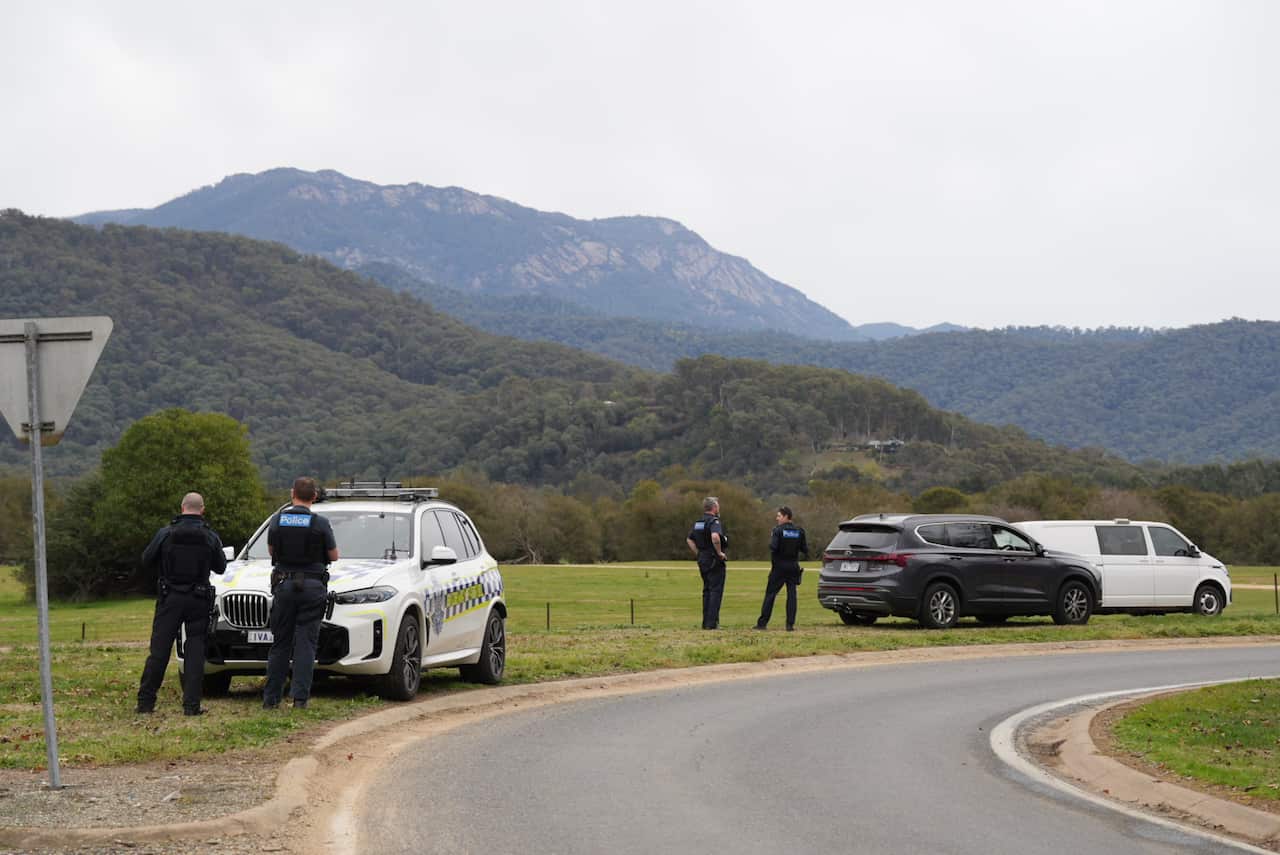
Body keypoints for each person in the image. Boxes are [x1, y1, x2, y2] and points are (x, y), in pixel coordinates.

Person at [136, 492, 227, 716]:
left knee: (159, 651)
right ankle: (191, 706)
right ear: (202, 509)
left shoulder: (165, 534)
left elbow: (146, 559)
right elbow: (221, 567)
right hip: (198, 598)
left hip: (170, 598)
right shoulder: (209, 536)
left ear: (182, 507)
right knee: (195, 650)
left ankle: (146, 703)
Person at [262, 477, 339, 710]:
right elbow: (334, 556)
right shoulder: (321, 523)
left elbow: (271, 551)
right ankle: (300, 699)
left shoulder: (277, 520)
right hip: (313, 587)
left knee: (281, 643)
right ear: (314, 496)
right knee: (306, 643)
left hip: (284, 585)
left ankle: (271, 699)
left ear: (291, 493)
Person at [755, 506, 808, 631]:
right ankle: (790, 625)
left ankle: (762, 623)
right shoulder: (799, 531)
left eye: (779, 516)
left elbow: (773, 547)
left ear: (786, 516)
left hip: (779, 567)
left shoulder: (777, 530)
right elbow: (805, 549)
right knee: (792, 595)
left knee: (770, 594)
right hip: (793, 566)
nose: (777, 518)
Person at [686, 496, 728, 629]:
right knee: (716, 591)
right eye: (718, 506)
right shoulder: (714, 522)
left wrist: (698, 553)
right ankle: (712, 623)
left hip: (702, 559)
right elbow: (715, 536)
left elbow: (689, 539)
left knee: (707, 590)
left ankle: (705, 623)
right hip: (713, 559)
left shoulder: (698, 523)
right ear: (714, 507)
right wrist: (720, 552)